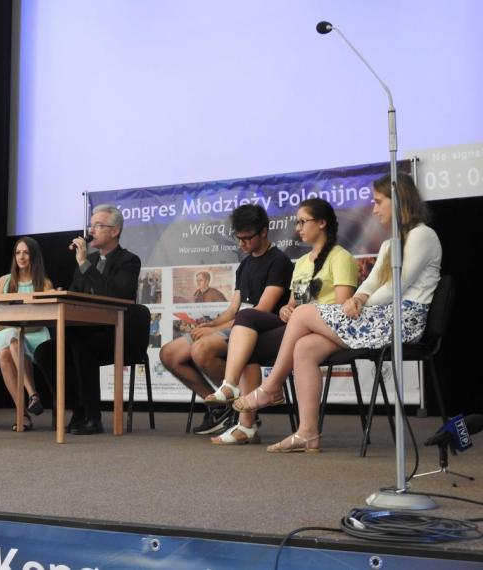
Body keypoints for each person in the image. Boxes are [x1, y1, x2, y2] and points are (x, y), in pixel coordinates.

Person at [232, 173, 442, 452]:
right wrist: (358, 297)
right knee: (304, 348)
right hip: (379, 316)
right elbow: (372, 282)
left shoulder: (422, 235)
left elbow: (399, 286)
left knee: (304, 314)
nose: (374, 209)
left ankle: (271, 387)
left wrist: (361, 301)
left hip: (401, 320)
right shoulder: (390, 243)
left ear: (399, 200)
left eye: (378, 202)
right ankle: (308, 433)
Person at [204, 198, 358, 445]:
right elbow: (292, 302)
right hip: (298, 327)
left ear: (322, 223)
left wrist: (302, 312)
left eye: (303, 222)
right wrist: (287, 309)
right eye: (297, 222)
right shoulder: (302, 263)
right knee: (247, 328)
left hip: (326, 331)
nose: (298, 228)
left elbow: (342, 308)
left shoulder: (341, 257)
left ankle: (248, 401)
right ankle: (244, 420)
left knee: (250, 323)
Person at [159, 204, 293, 435]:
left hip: (261, 330)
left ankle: (246, 406)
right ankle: (220, 408)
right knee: (169, 354)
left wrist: (214, 331)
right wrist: (211, 324)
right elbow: (233, 309)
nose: (241, 244)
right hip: (240, 324)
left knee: (201, 350)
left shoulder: (278, 261)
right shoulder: (245, 264)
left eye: (247, 238)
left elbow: (261, 311)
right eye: (238, 238)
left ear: (263, 232)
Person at [33, 204, 141, 435]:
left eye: (98, 226)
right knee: (45, 351)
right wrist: (60, 294)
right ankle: (78, 410)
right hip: (84, 332)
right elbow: (76, 293)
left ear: (115, 231)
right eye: (91, 226)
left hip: (115, 335)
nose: (91, 231)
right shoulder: (88, 259)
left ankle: (94, 417)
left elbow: (114, 295)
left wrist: (84, 264)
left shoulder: (128, 261)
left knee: (81, 345)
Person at [0, 237, 53, 431]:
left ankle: (24, 411)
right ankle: (30, 399)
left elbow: (44, 318)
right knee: (9, 343)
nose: (21, 257)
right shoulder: (3, 281)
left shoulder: (44, 283)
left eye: (26, 253)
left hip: (34, 333)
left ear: (34, 256)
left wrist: (4, 325)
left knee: (13, 342)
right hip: (4, 333)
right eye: (18, 252)